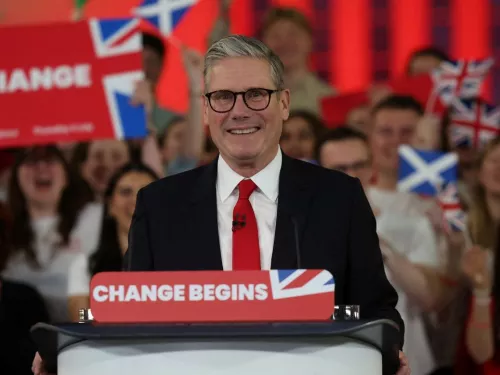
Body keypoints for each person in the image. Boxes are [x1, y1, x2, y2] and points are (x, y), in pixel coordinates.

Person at [122, 35, 409, 373]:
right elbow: (128, 321)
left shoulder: (339, 198)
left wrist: (384, 355)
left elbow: (377, 313)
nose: (239, 111)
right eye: (223, 97)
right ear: (205, 109)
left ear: (284, 104)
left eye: (256, 95)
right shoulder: (159, 205)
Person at [317, 127, 442, 375]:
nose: (352, 176)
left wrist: (375, 242)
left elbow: (430, 299)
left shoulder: (411, 219)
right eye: (340, 169)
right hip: (332, 360)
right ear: (318, 170)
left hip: (409, 361)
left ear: (372, 166)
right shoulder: (300, 227)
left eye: (359, 165)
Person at [3, 146, 102, 322]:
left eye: (50, 160)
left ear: (66, 175)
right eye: (31, 161)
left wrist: (85, 319)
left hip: (81, 326)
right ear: (16, 176)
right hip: (19, 335)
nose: (41, 167)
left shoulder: (95, 217)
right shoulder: (4, 226)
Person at [67, 163, 158, 320]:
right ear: (110, 205)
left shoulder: (181, 262)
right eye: (125, 192)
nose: (136, 200)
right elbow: (81, 317)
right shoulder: (85, 265)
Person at [260, 7, 335, 116]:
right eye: (276, 36)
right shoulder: (251, 98)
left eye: (293, 34)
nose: (284, 42)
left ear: (310, 41)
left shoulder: (328, 98)